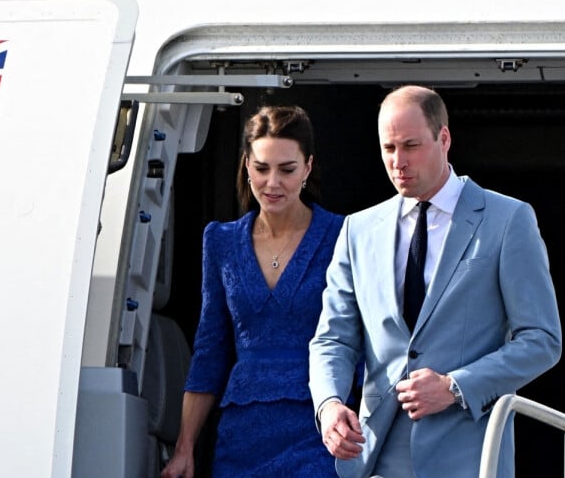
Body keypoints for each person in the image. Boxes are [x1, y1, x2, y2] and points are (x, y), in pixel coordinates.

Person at [309, 85, 562, 478]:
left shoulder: (508, 219)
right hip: (373, 455)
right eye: (388, 148)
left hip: (470, 454)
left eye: (411, 146)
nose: (398, 162)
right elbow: (333, 338)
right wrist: (328, 406)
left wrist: (455, 386)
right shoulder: (356, 231)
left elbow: (543, 340)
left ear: (444, 138)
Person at [161, 105, 344, 478]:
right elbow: (211, 350)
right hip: (243, 432)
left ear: (308, 167)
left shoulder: (343, 235)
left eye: (287, 169)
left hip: (318, 427)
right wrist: (185, 447)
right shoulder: (221, 242)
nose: (272, 183)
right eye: (261, 168)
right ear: (246, 165)